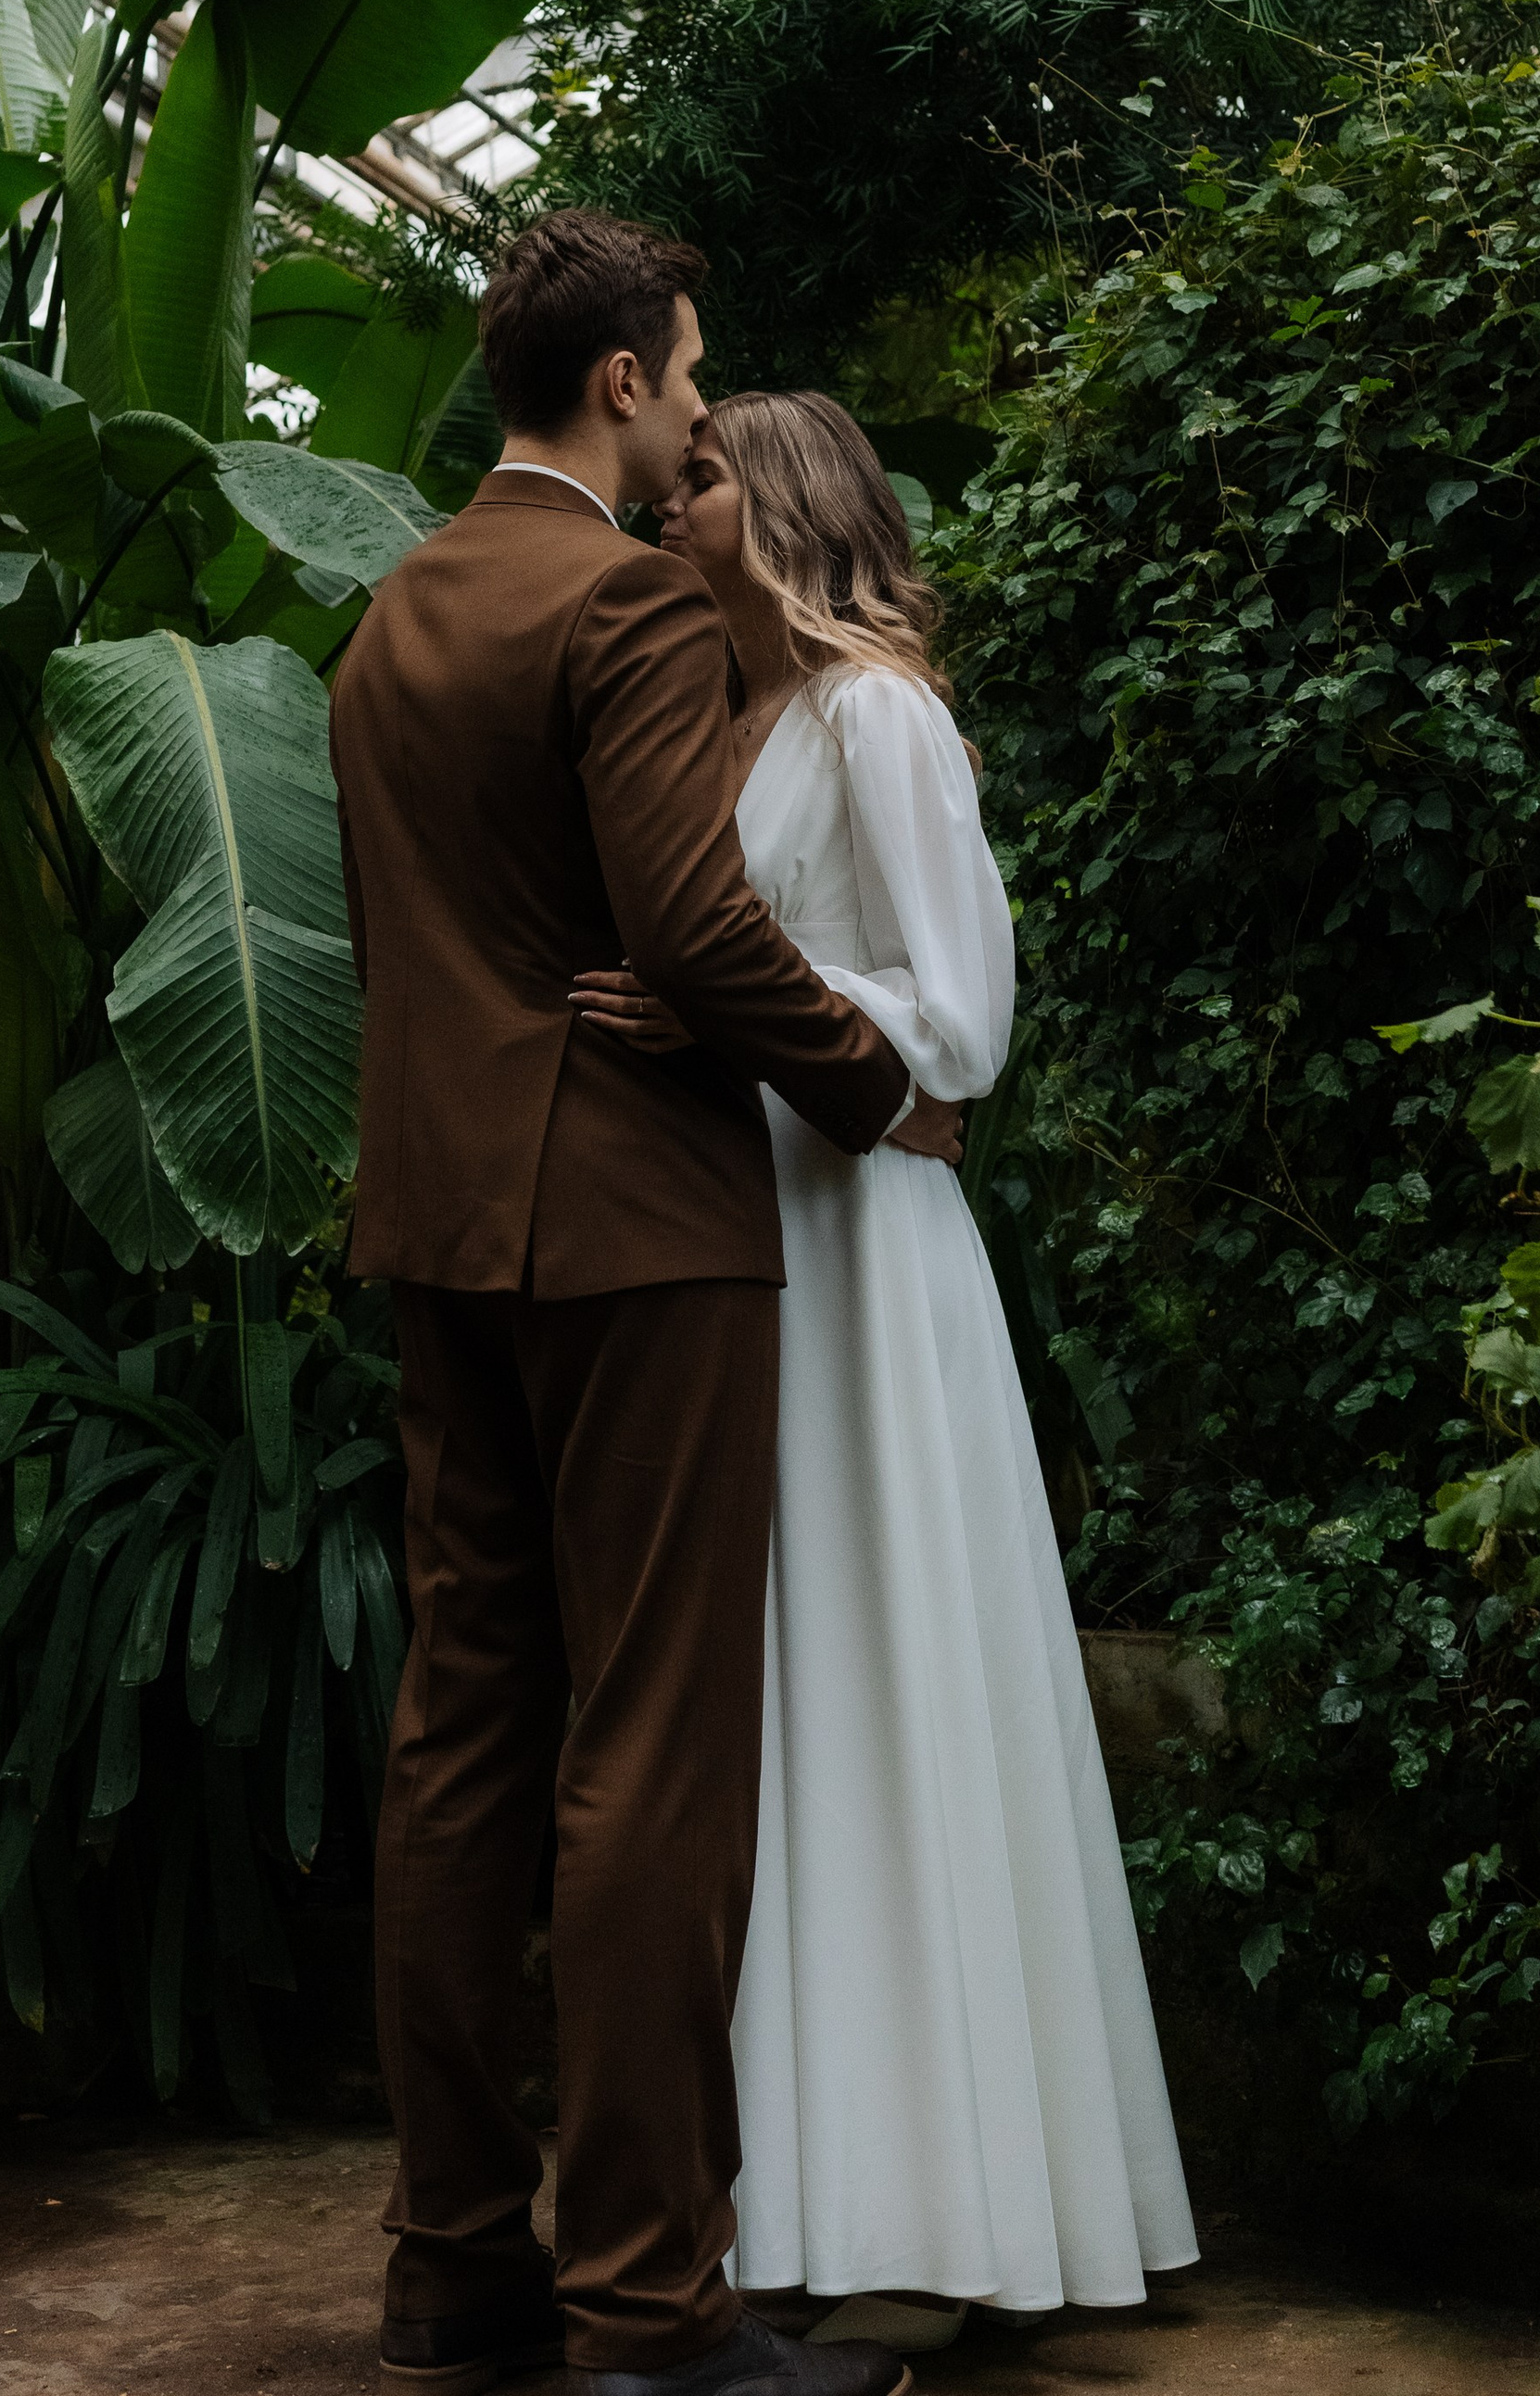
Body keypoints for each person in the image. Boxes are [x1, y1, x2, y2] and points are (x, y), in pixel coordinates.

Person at [332, 212, 962, 2396]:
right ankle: (646, 2310)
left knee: (462, 1737)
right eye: (687, 378)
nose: (698, 410)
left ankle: (447, 2268)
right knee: (654, 1761)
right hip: (637, 1235)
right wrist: (874, 1081)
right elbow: (694, 935)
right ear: (616, 385)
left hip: (433, 1236)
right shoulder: (617, 600)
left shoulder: (392, 607)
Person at [572, 394, 1199, 2351]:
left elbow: (963, 1030)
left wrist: (723, 1001)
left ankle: (958, 2204)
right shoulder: (735, 726)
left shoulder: (879, 717)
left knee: (896, 1680)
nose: (663, 516)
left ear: (775, 509)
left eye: (690, 490)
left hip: (866, 1247)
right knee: (790, 1710)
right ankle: (804, 2200)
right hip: (753, 1239)